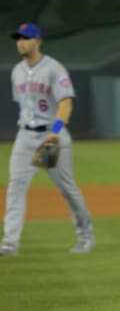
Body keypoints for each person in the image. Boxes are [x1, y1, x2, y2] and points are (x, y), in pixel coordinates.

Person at [0, 23, 95, 256]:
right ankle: (10, 243)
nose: (20, 42)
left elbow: (66, 102)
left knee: (67, 188)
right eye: (18, 38)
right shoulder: (17, 71)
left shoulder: (54, 69)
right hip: (25, 135)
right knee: (15, 187)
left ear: (37, 41)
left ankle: (86, 236)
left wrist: (55, 130)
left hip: (51, 135)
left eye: (26, 38)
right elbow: (23, 105)